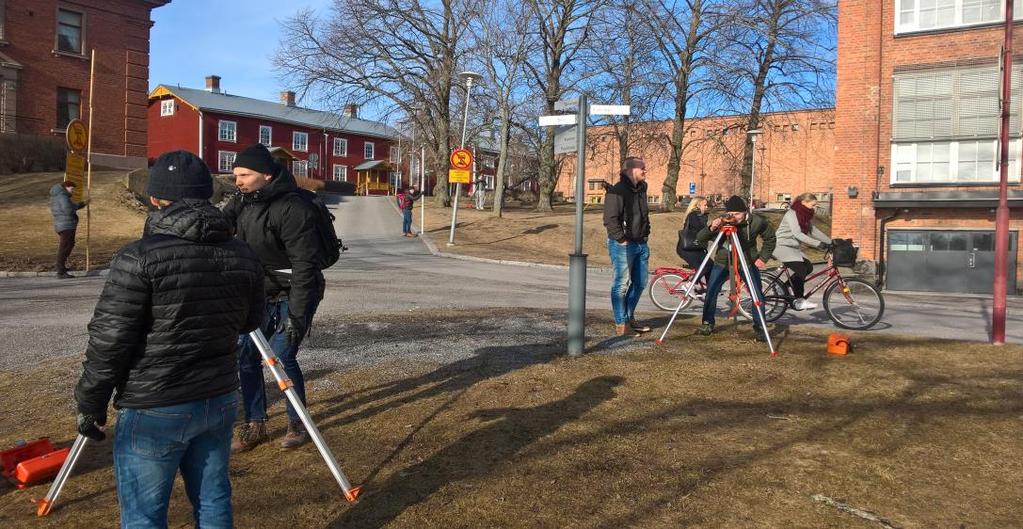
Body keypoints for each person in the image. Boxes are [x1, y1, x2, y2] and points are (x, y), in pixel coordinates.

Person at [73, 151, 264, 528]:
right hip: (218, 396)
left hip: (156, 402)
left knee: (146, 514)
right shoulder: (242, 253)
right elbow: (250, 321)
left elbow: (110, 339)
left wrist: (90, 401)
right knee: (213, 499)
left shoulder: (139, 257)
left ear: (156, 199)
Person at [225, 143, 326, 451]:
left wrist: (296, 316)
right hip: (258, 293)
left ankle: (297, 422)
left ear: (266, 175)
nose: (238, 181)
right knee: (246, 356)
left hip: (295, 292)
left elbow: (305, 268)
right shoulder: (242, 201)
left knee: (282, 356)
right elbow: (216, 227)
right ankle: (255, 424)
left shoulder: (294, 208)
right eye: (236, 175)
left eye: (244, 174)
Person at [695, 195, 776, 341]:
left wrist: (763, 258)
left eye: (737, 214)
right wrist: (712, 227)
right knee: (711, 291)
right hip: (723, 262)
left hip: (747, 261)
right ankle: (707, 323)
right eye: (731, 214)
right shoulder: (722, 221)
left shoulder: (757, 222)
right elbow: (700, 238)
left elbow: (770, 238)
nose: (734, 217)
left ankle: (759, 326)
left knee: (757, 294)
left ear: (745, 212)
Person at [603, 156, 652, 337]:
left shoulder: (641, 189)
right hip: (622, 245)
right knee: (621, 285)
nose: (645, 171)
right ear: (631, 170)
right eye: (642, 168)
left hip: (641, 243)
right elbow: (610, 219)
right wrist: (621, 239)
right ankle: (621, 324)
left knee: (640, 283)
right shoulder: (617, 191)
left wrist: (646, 233)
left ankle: (628, 317)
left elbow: (644, 214)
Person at [773, 192, 832, 310]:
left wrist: (831, 242)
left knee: (808, 267)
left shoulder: (804, 216)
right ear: (803, 203)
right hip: (781, 246)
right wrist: (818, 244)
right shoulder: (792, 214)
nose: (814, 208)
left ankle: (782, 288)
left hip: (792, 248)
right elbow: (798, 234)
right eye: (813, 205)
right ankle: (799, 301)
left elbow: (814, 231)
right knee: (801, 269)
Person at [49, 180, 86, 278]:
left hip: (63, 224)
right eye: (71, 189)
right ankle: (60, 271)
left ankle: (62, 267)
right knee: (64, 247)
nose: (72, 191)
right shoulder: (63, 197)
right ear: (66, 187)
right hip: (66, 225)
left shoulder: (57, 196)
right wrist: (81, 204)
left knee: (69, 244)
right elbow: (68, 209)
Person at [676, 196, 711, 283]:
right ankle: (689, 286)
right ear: (698, 205)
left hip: (697, 247)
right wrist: (712, 229)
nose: (707, 207)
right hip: (687, 248)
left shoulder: (701, 216)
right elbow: (701, 230)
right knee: (703, 267)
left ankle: (709, 289)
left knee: (710, 265)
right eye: (705, 205)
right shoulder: (693, 215)